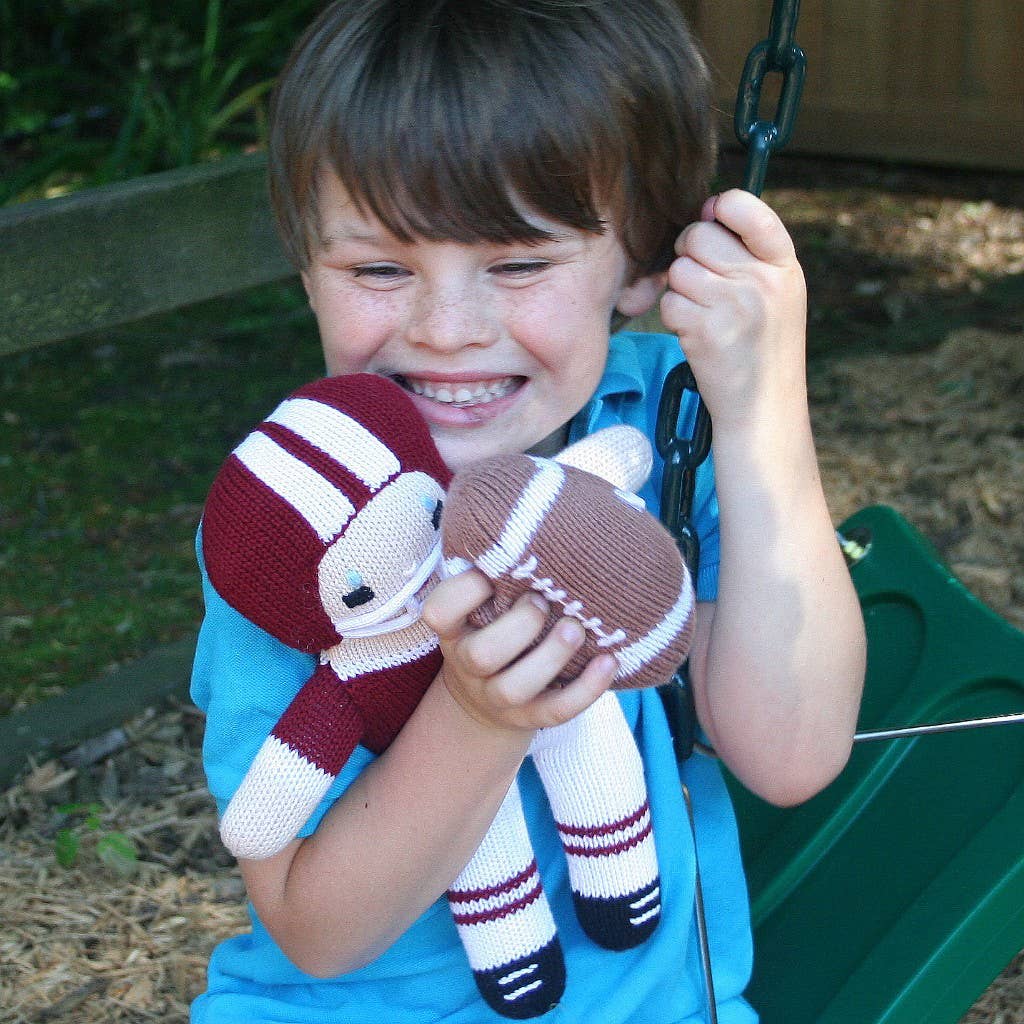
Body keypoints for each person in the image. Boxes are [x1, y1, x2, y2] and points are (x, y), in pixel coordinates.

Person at [189, 2, 867, 1022]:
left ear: (643, 264)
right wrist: (477, 715)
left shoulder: (663, 427)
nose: (446, 330)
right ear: (307, 268)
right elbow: (318, 930)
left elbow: (790, 750)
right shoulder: (297, 515)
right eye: (378, 267)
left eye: (516, 264)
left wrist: (764, 403)